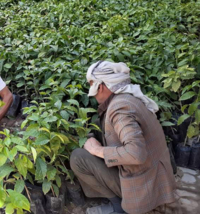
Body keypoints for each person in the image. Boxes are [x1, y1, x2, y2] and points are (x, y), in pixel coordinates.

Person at [69, 61, 176, 214]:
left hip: (143, 186)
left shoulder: (120, 109)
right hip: (154, 179)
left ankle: (121, 208)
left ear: (101, 86)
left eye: (91, 85)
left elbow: (135, 154)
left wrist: (97, 149)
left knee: (78, 157)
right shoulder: (128, 98)